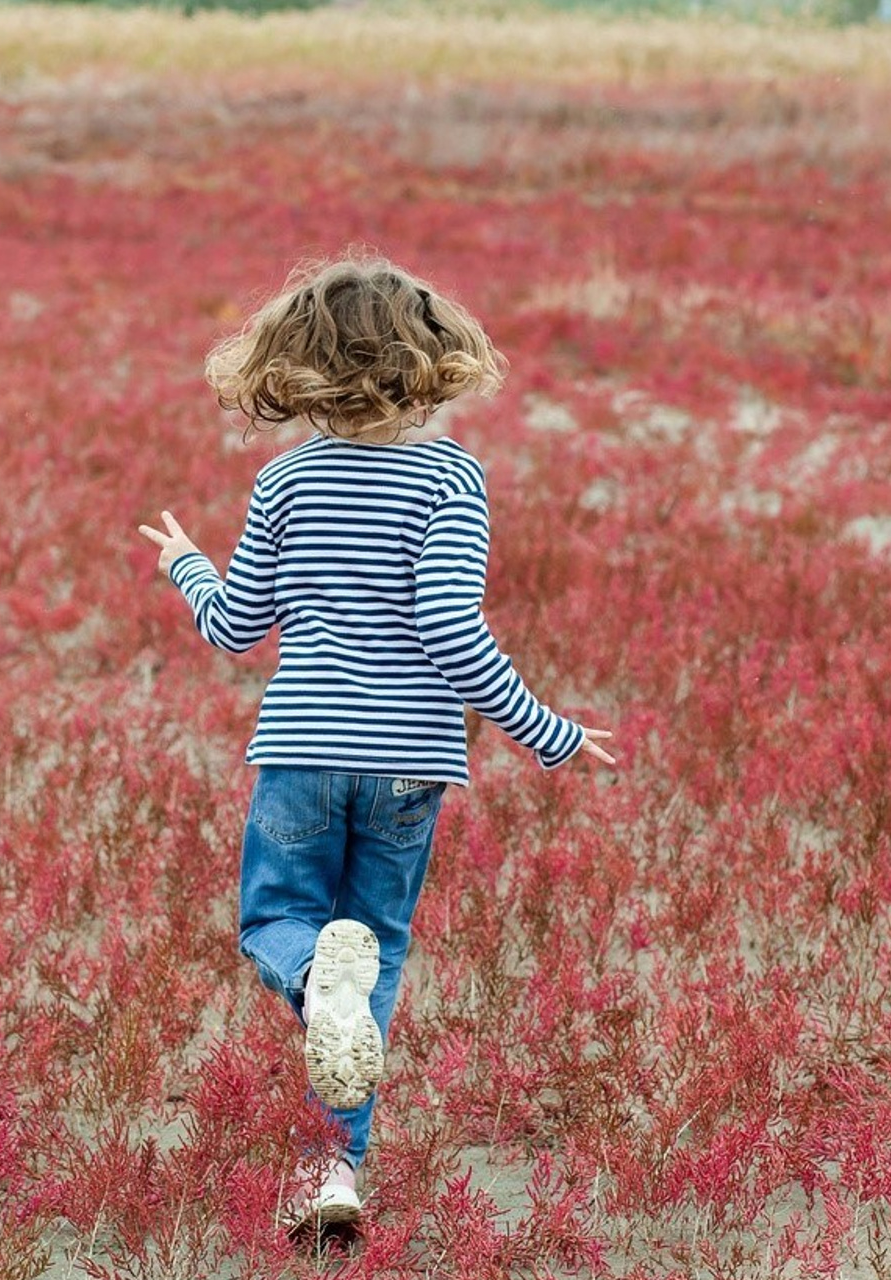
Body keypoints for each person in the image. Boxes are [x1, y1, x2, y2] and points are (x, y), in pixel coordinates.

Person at [138, 250, 616, 1231]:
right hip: (409, 761)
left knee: (280, 924)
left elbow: (235, 625)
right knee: (377, 949)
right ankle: (331, 1173)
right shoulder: (453, 477)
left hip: (302, 750)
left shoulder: (285, 481)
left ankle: (316, 984)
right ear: (429, 359)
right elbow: (447, 620)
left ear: (297, 362)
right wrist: (544, 731)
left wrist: (186, 564)